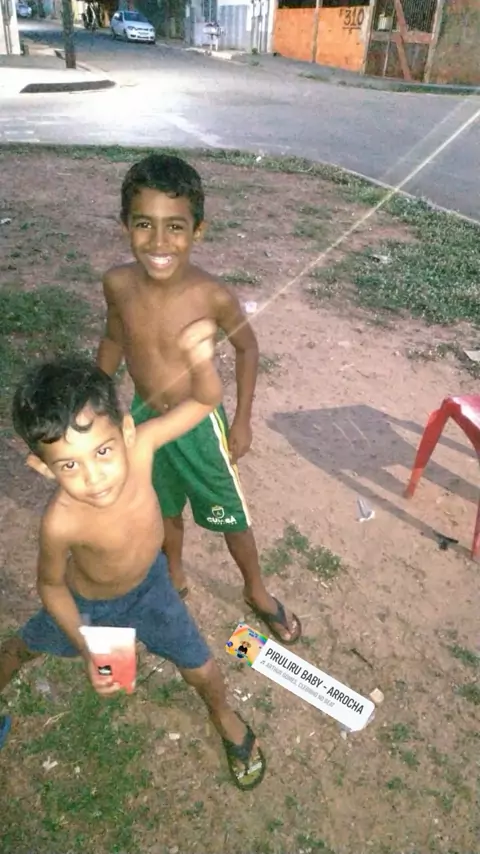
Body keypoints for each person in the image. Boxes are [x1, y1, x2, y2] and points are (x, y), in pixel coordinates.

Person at [0, 338, 265, 790]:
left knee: (201, 669)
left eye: (102, 451)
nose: (93, 477)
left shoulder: (142, 446)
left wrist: (199, 359)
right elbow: (51, 586)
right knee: (22, 648)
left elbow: (205, 400)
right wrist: (88, 646)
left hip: (153, 589)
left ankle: (224, 716)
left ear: (125, 431)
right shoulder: (61, 522)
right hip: (91, 607)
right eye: (68, 465)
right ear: (43, 467)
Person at [97, 153, 301, 645]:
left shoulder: (212, 295)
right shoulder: (117, 284)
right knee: (163, 506)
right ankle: (174, 571)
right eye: (144, 224)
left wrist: (242, 419)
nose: (159, 242)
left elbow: (248, 347)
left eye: (175, 227)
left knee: (231, 516)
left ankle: (255, 589)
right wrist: (94, 397)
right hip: (145, 417)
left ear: (198, 230)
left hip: (199, 422)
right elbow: (114, 339)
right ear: (125, 225)